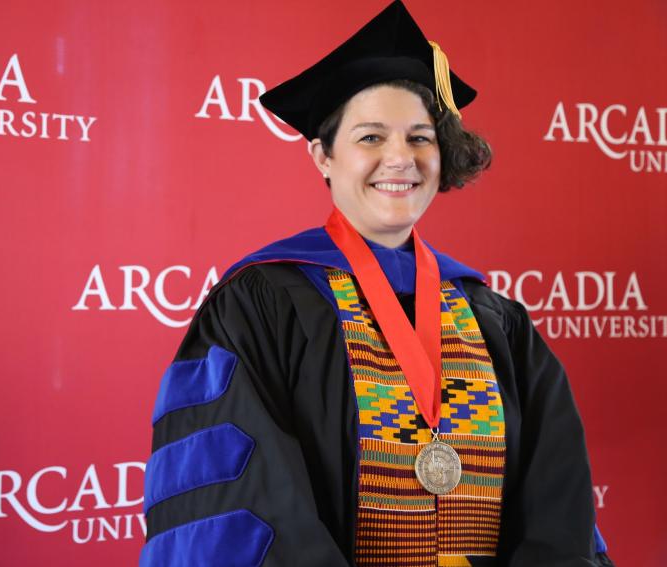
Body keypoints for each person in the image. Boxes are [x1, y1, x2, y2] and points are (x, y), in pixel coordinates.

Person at [140, 1, 613, 565]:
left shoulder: (495, 320)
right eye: (369, 138)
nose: (400, 158)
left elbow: (555, 504)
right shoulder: (261, 306)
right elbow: (247, 507)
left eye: (420, 137)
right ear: (322, 155)